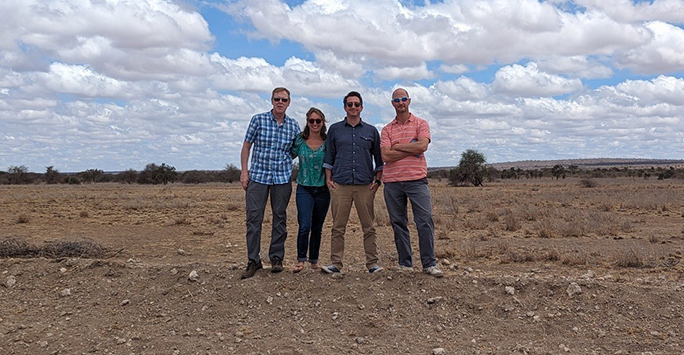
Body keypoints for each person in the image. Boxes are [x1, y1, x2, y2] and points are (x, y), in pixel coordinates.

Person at [380, 88, 444, 278]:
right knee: (398, 223)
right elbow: (385, 155)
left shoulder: (420, 123)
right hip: (392, 182)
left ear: (409, 101)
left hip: (417, 180)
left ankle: (429, 264)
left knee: (424, 221)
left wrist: (398, 147)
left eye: (403, 99)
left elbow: (423, 145)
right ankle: (405, 264)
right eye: (397, 100)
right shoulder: (386, 129)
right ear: (392, 103)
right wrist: (412, 148)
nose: (400, 102)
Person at [239, 87, 301, 279]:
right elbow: (247, 146)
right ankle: (253, 260)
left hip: (282, 178)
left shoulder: (293, 125)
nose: (280, 102)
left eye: (284, 99)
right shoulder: (258, 120)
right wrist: (244, 171)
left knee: (279, 219)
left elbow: (295, 150)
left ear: (289, 102)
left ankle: (276, 258)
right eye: (277, 99)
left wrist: (285, 161)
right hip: (258, 177)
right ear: (272, 101)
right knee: (254, 219)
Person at [321, 91, 384, 274]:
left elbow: (379, 160)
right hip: (340, 184)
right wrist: (328, 179)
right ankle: (336, 264)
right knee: (338, 227)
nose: (353, 107)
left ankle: (372, 264)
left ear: (362, 107)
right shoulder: (335, 129)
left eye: (357, 104)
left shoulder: (371, 131)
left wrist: (377, 181)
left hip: (366, 185)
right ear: (345, 107)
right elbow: (329, 156)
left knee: (369, 227)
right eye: (350, 104)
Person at [291, 107, 330, 273]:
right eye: (311, 121)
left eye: (318, 121)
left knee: (317, 227)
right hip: (304, 188)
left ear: (323, 123)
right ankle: (301, 260)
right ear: (307, 122)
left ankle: (314, 260)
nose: (315, 124)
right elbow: (288, 155)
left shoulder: (328, 142)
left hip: (323, 189)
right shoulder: (300, 140)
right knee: (304, 225)